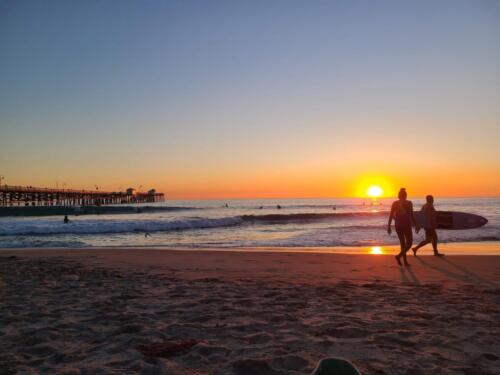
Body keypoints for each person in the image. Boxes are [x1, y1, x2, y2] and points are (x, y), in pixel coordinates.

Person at [387, 188, 419, 266]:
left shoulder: (394, 203)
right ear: (406, 195)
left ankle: (405, 262)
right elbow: (411, 215)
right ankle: (399, 256)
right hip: (406, 225)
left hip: (398, 225)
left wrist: (389, 226)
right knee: (409, 243)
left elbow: (391, 215)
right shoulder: (409, 203)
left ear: (398, 196)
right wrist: (416, 225)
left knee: (402, 244)